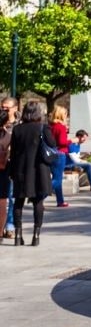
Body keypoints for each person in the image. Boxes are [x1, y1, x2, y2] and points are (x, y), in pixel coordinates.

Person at [9, 101, 54, 246]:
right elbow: (52, 145)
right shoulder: (43, 128)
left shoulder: (17, 129)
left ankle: (18, 235)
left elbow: (14, 152)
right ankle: (36, 236)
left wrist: (12, 171)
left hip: (21, 169)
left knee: (18, 202)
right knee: (38, 202)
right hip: (39, 169)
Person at [47, 106, 72, 208]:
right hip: (60, 153)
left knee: (57, 177)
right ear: (62, 115)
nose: (66, 116)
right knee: (57, 179)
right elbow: (62, 142)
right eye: (65, 114)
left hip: (52, 153)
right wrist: (71, 141)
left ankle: (60, 200)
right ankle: (40, 196)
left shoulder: (51, 126)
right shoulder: (60, 127)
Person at [0, 97, 17, 241]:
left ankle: (9, 226)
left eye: (7, 108)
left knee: (10, 197)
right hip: (2, 165)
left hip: (12, 166)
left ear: (15, 108)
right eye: (2, 107)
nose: (4, 110)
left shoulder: (18, 125)